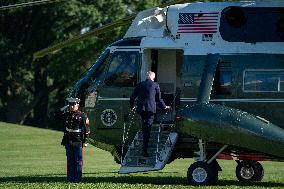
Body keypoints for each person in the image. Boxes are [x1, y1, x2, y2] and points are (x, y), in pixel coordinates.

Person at [130, 71, 170, 157]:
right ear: (153, 77)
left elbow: (132, 96)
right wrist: (164, 107)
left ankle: (144, 141)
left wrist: (132, 106)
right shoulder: (155, 85)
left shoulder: (140, 84)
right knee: (147, 127)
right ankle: (144, 150)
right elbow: (159, 99)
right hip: (150, 109)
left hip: (141, 109)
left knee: (145, 126)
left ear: (147, 77)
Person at [60, 97, 90, 183]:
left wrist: (86, 141)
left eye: (73, 104)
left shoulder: (82, 115)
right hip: (68, 139)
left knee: (78, 160)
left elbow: (87, 129)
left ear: (78, 105)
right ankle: (70, 179)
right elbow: (56, 115)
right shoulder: (67, 114)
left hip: (78, 140)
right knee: (70, 160)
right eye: (70, 104)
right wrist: (63, 108)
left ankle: (77, 179)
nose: (71, 106)